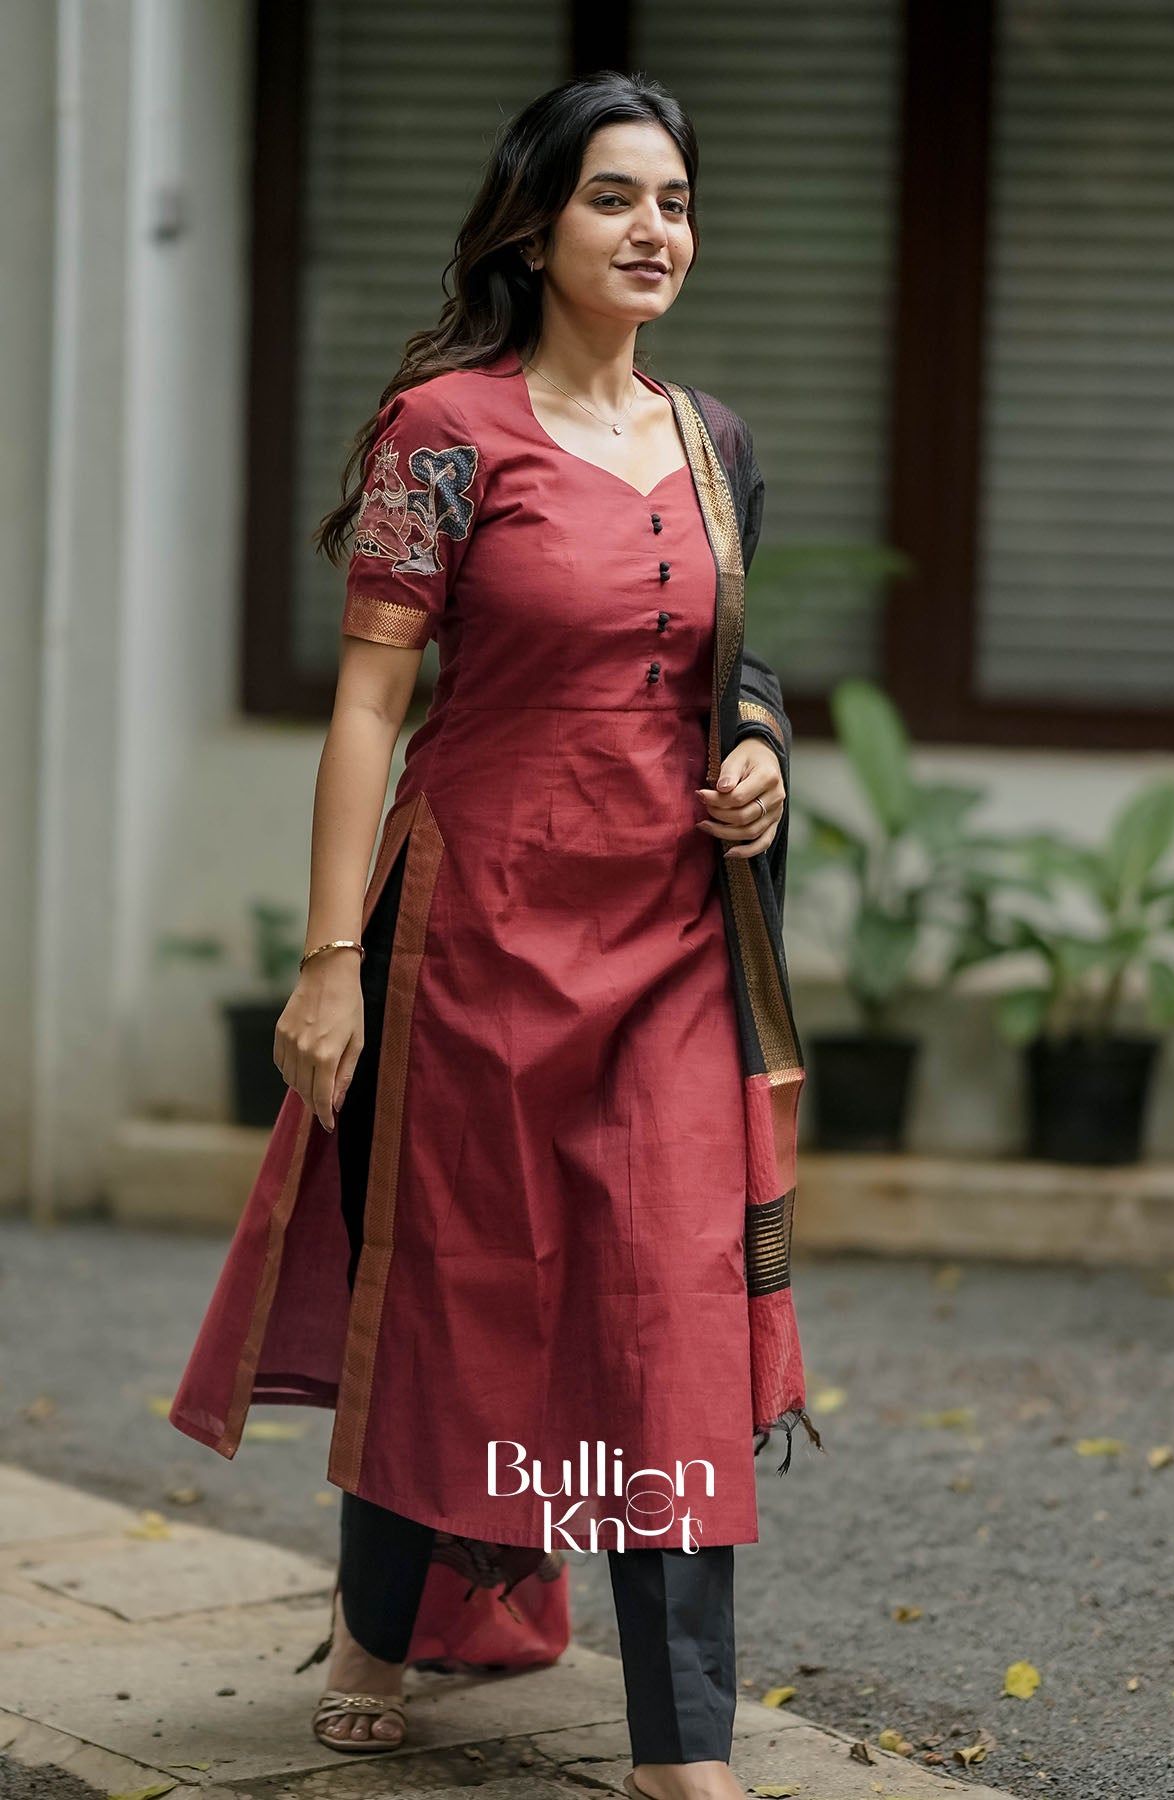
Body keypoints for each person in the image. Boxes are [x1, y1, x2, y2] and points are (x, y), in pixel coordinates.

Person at [169, 68, 822, 1798]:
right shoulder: (447, 433)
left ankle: (683, 1736)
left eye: (675, 201)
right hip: (475, 932)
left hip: (670, 941)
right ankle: (382, 1623)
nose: (653, 230)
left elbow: (725, 671)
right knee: (459, 1286)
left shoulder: (714, 443)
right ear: (536, 225)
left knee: (667, 1304)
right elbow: (372, 704)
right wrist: (327, 963)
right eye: (617, 197)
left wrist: (755, 749)